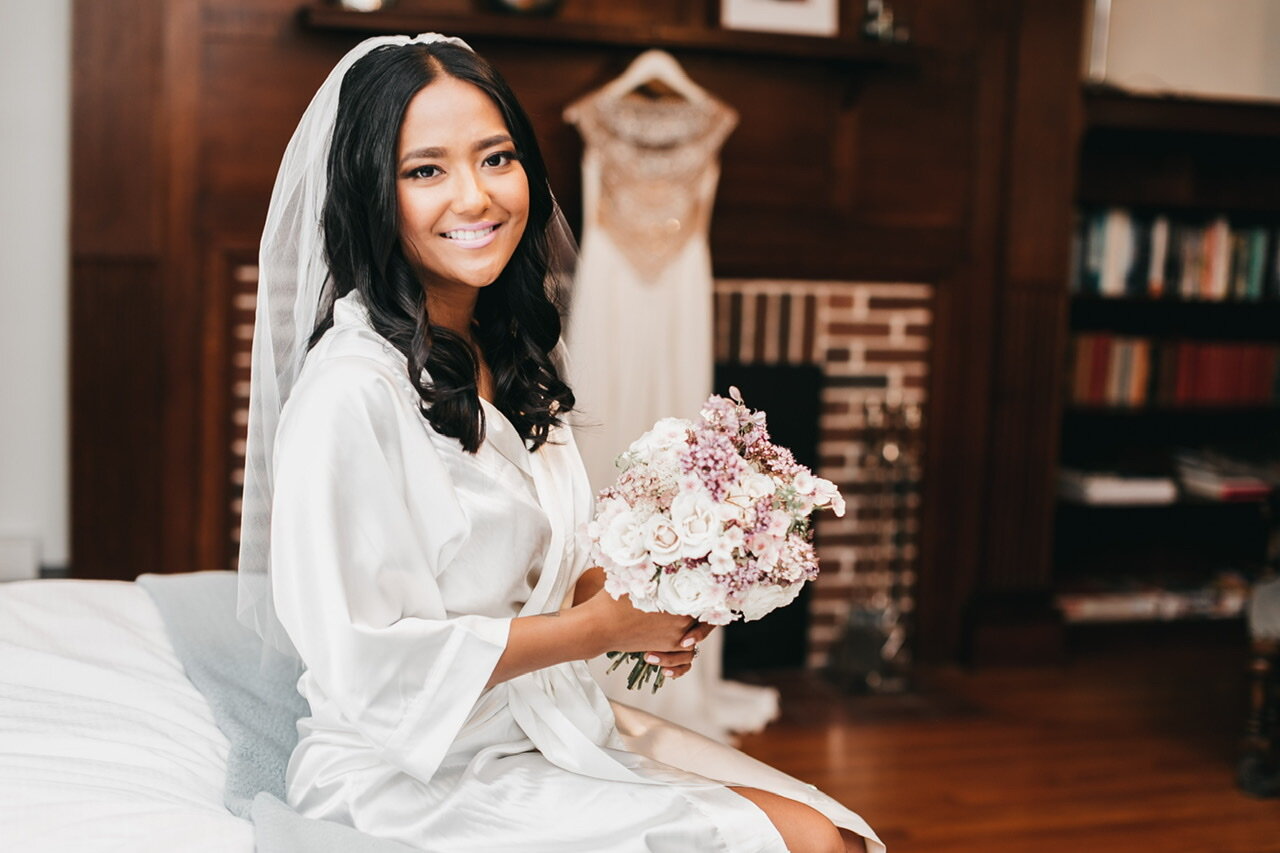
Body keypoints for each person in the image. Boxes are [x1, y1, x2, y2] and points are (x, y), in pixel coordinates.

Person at [236, 33, 883, 853]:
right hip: (412, 775)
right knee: (809, 845)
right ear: (372, 194)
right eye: (425, 170)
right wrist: (602, 629)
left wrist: (657, 599)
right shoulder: (349, 395)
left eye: (496, 157)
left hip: (547, 721)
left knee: (837, 832)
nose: (474, 197)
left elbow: (541, 558)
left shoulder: (507, 354)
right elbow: (370, 666)